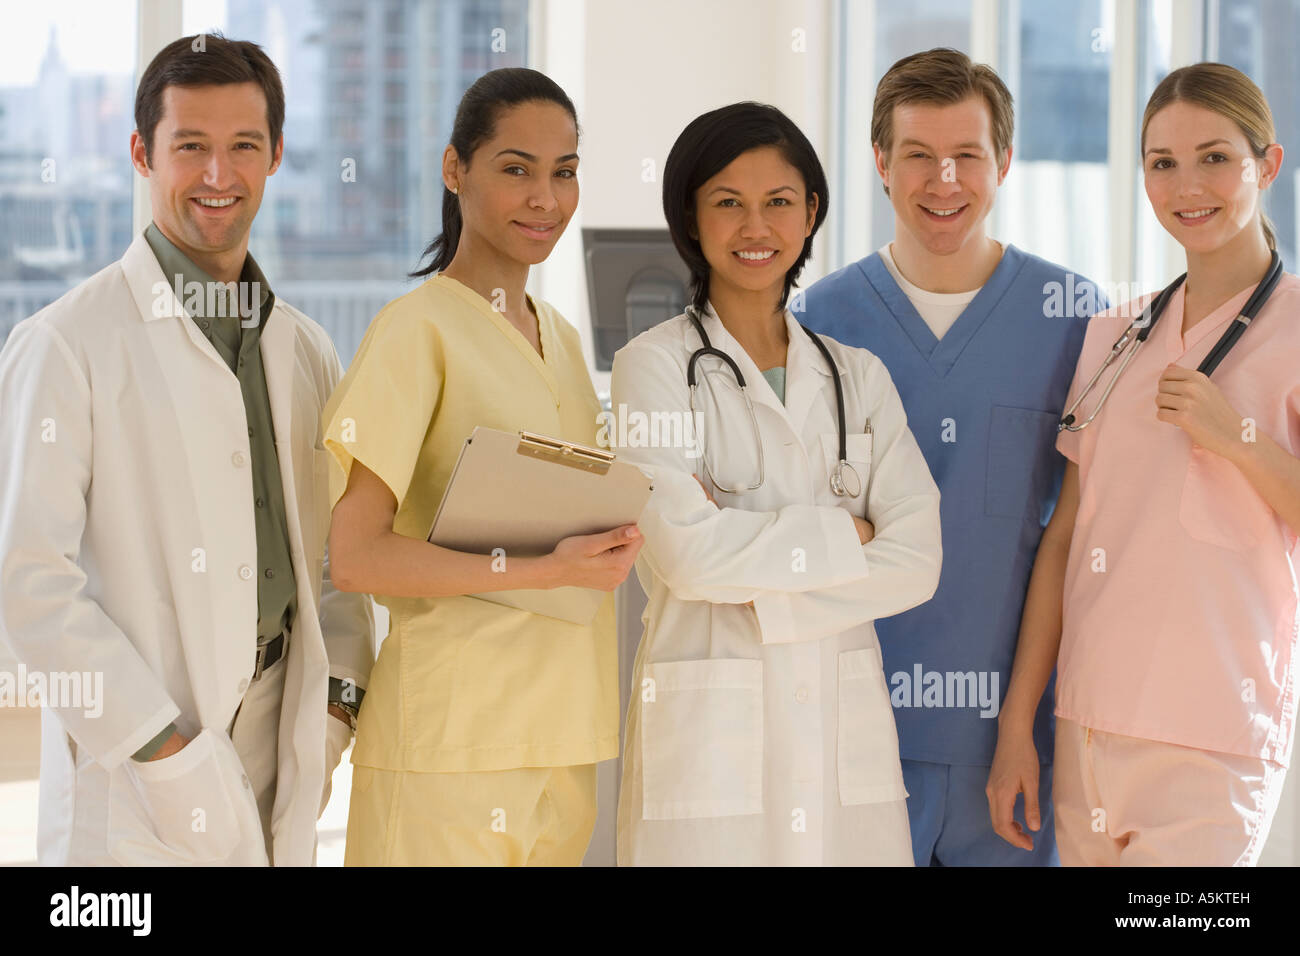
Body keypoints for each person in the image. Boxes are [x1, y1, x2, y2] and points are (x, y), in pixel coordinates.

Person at [0, 34, 374, 866]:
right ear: (142, 153)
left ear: (276, 154)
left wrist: (338, 704)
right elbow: (28, 586)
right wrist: (162, 752)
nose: (219, 175)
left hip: (286, 732)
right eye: (190, 147)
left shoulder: (306, 350)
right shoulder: (65, 344)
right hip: (139, 762)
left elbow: (334, 562)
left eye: (244, 145)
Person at [324, 68, 641, 867]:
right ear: (454, 169)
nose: (546, 198)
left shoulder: (563, 340)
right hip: (449, 746)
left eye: (564, 172)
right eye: (516, 169)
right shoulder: (416, 331)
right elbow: (356, 556)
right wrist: (546, 569)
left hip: (562, 737)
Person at [611, 102, 942, 866]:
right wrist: (849, 536)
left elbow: (919, 559)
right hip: (708, 751)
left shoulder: (858, 376)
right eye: (727, 202)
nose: (754, 226)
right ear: (691, 219)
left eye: (779, 202)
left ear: (811, 212)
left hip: (840, 737)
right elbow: (685, 559)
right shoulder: (654, 367)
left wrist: (743, 555)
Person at [991, 62, 1300, 866]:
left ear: (1266, 165)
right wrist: (1019, 722)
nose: (1186, 185)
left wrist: (1237, 438)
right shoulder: (1115, 334)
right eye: (1161, 162)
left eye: (1214, 157)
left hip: (1211, 735)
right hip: (1090, 723)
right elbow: (1066, 537)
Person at [803, 48, 1102, 866]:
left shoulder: (1073, 316)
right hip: (851, 730)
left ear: (1004, 161)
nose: (944, 180)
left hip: (1013, 741)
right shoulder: (817, 319)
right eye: (918, 156)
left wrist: (1020, 730)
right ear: (879, 163)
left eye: (968, 155)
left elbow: (1074, 535)